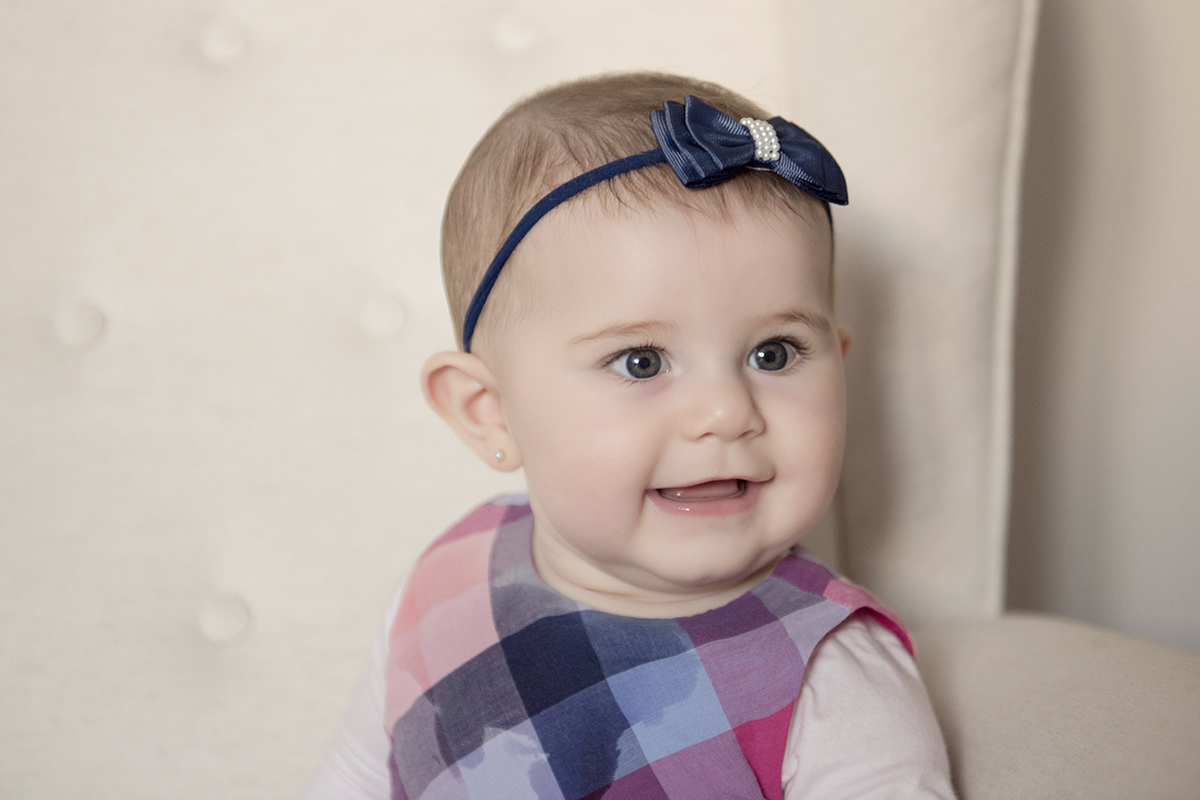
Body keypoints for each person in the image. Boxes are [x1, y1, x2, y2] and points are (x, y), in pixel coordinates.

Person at [303, 72, 955, 800]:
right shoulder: (446, 580)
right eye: (641, 361)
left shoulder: (832, 680)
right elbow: (355, 779)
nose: (725, 412)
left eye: (773, 354)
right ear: (490, 410)